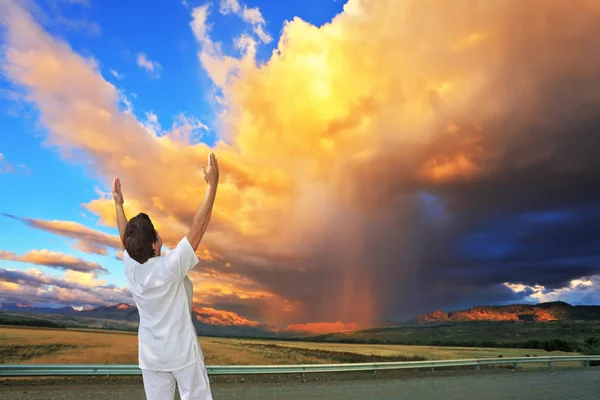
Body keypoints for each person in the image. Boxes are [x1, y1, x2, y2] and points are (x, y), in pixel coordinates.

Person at [112, 152, 219, 400]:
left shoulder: (132, 266)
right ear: (154, 245)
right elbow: (198, 228)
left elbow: (124, 238)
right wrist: (212, 186)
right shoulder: (169, 268)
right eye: (157, 235)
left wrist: (118, 204)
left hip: (152, 358)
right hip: (182, 356)